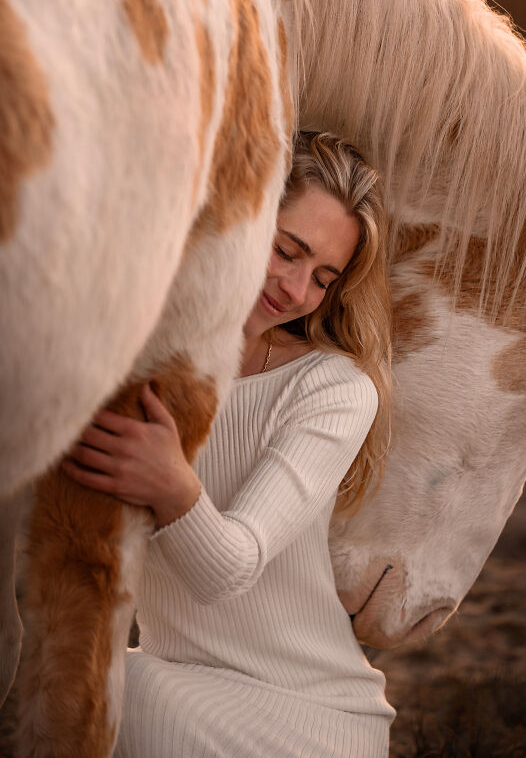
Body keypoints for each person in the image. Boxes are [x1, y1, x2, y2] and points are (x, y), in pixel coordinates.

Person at [63, 130, 395, 758]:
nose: (296, 291)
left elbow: (230, 569)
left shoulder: (335, 388)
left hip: (312, 718)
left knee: (111, 680)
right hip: (182, 686)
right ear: (242, 216)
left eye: (323, 277)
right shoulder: (145, 355)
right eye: (285, 251)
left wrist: (171, 485)